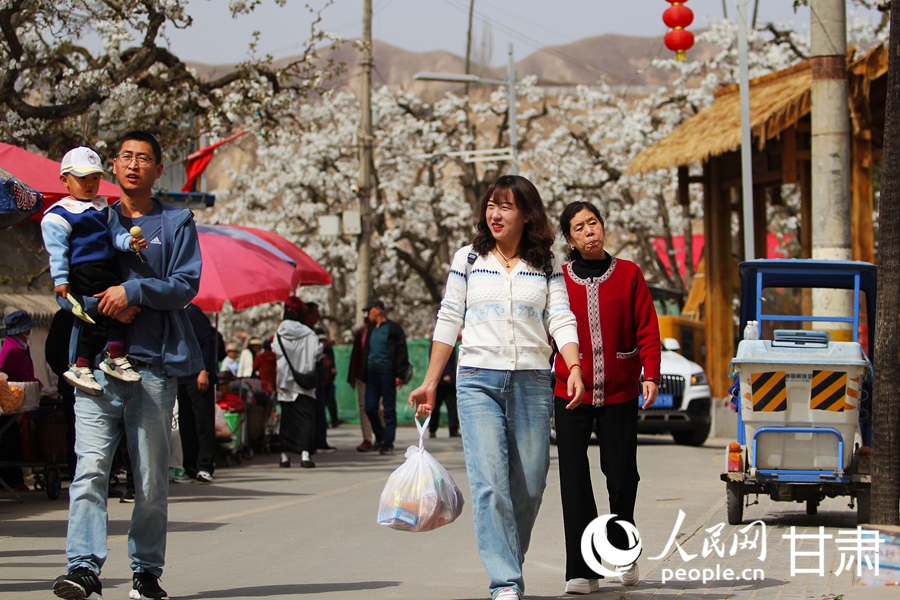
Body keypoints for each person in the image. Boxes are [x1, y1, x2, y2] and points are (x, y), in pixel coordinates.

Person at [409, 175, 584, 600]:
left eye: (506, 206)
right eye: (491, 205)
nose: (495, 213)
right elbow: (449, 318)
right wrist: (431, 382)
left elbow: (560, 317)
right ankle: (505, 581)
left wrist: (574, 364)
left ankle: (508, 558)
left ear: (526, 214)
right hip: (477, 382)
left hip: (533, 382)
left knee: (530, 484)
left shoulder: (545, 265)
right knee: (490, 484)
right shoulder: (468, 259)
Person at [52, 130, 203, 600]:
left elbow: (185, 285)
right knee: (90, 470)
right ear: (111, 167)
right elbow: (67, 275)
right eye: (125, 157)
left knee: (151, 478)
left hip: (152, 367)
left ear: (159, 169)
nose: (134, 165)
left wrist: (131, 291)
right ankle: (83, 568)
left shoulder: (176, 222)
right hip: (95, 367)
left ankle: (145, 572)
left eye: (145, 159)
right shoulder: (88, 214)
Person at [554, 201, 661, 593]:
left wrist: (650, 373)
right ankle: (581, 569)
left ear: (603, 226)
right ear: (569, 239)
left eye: (593, 223)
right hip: (569, 393)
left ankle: (622, 549)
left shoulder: (630, 273)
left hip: (619, 392)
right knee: (573, 478)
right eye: (579, 228)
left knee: (621, 475)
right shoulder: (559, 278)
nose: (589, 231)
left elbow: (647, 327)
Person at [40, 146, 148, 396]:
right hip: (84, 270)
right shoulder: (58, 215)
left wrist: (130, 244)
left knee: (109, 315)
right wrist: (61, 279)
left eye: (95, 178)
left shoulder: (103, 208)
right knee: (103, 314)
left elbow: (117, 235)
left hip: (106, 267)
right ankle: (88, 363)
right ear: (64, 180)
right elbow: (57, 253)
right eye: (82, 178)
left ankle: (105, 358)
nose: (89, 184)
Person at [273, 297, 322, 469]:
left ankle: (284, 456)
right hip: (305, 383)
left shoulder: (278, 333)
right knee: (305, 419)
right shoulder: (309, 333)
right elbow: (318, 354)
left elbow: (275, 351)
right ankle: (305, 455)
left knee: (287, 420)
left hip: (286, 382)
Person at [361, 298, 409, 456]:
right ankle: (380, 436)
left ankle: (388, 442)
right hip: (371, 373)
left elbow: (402, 351)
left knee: (388, 408)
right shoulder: (370, 329)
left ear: (378, 309)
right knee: (369, 407)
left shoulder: (393, 328)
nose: (368, 314)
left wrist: (400, 374)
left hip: (387, 372)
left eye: (370, 311)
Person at [176, 303, 218, 484]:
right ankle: (190, 466)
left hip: (197, 376)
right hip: (182, 377)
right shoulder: (177, 312)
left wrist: (205, 371)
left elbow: (208, 342)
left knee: (203, 422)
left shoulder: (194, 313)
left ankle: (205, 466)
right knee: (186, 423)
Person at [0, 310, 41, 491]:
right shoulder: (14, 350)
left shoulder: (18, 347)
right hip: (11, 402)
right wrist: (42, 387)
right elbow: (22, 378)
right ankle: (13, 480)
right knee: (10, 440)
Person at [304, 302, 336, 452]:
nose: (317, 317)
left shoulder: (314, 331)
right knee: (312, 408)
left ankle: (318, 440)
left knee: (320, 407)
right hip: (308, 372)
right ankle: (311, 441)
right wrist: (323, 347)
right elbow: (314, 352)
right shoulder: (304, 333)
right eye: (315, 314)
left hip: (318, 374)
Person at [347, 317, 381, 452]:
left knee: (380, 407)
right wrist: (352, 375)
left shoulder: (386, 331)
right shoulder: (362, 332)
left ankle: (381, 436)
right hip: (364, 375)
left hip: (380, 374)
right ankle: (367, 438)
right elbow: (355, 354)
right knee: (365, 407)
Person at [428, 338, 460, 438]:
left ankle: (453, 429)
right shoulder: (436, 342)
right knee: (435, 406)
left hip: (450, 382)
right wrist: (445, 374)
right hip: (440, 382)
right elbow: (436, 359)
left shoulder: (452, 342)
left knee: (452, 407)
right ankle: (432, 430)